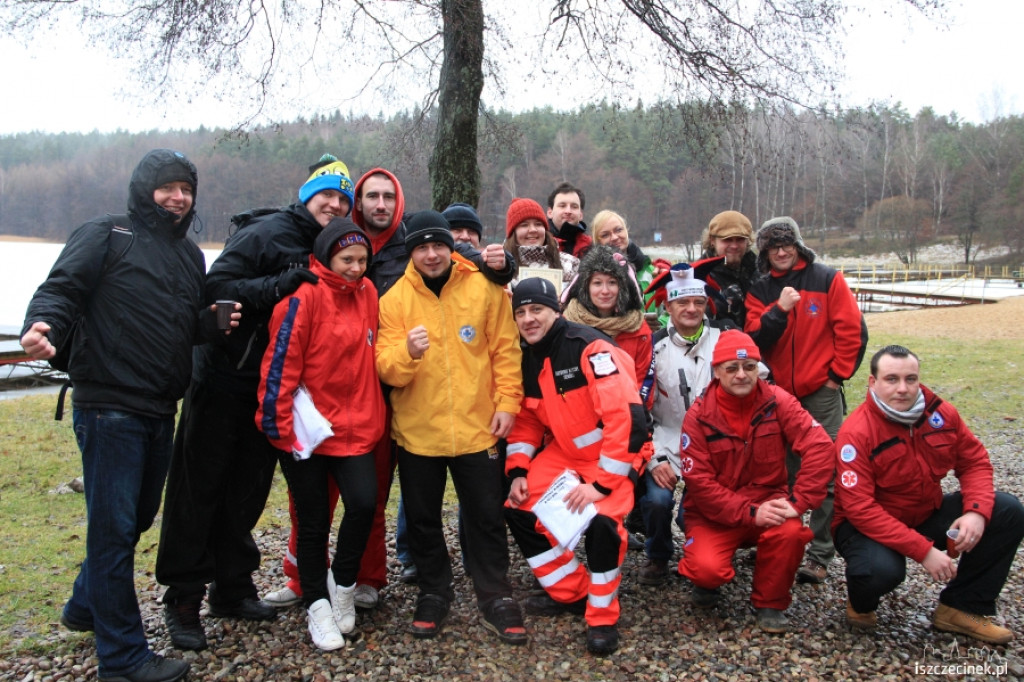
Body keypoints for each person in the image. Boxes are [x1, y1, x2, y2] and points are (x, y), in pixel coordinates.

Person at [261, 169, 515, 607]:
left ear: (399, 203)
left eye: (388, 197)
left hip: (388, 403)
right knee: (314, 506)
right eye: (371, 197)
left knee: (372, 500)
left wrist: (504, 265)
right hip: (333, 403)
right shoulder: (339, 251)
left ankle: (366, 579)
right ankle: (307, 582)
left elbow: (473, 271)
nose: (380, 204)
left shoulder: (420, 248)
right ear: (359, 204)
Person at [20, 149, 215, 682]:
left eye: (186, 189)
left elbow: (175, 323)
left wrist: (208, 324)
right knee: (111, 531)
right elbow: (62, 289)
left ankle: (85, 607)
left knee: (136, 518)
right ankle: (122, 657)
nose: (178, 198)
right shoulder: (108, 233)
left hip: (158, 407)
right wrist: (42, 325)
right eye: (168, 187)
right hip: (108, 406)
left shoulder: (189, 256)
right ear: (144, 189)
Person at [156, 154, 356, 651]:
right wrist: (274, 286)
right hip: (225, 376)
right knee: (198, 489)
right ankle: (182, 598)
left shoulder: (329, 246)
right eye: (326, 194)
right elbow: (215, 288)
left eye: (341, 199)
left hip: (273, 390)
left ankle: (232, 587)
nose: (333, 204)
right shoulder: (266, 233)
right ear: (308, 196)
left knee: (248, 489)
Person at [376, 211, 527, 644]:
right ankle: (433, 591)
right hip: (419, 434)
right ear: (411, 252)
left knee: (484, 516)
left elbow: (505, 349)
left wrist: (508, 403)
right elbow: (387, 369)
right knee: (422, 519)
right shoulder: (394, 300)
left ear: (450, 246)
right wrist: (406, 352)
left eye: (438, 245)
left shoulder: (483, 286)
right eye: (421, 247)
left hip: (479, 427)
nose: (431, 254)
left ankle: (495, 594)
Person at [833, 345, 1024, 643]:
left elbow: (974, 461)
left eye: (911, 379)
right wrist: (923, 551)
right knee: (877, 571)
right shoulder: (856, 432)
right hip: (867, 529)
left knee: (1007, 511)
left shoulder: (942, 413)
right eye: (891, 379)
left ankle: (961, 609)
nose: (903, 388)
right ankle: (861, 605)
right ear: (873, 383)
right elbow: (860, 510)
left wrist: (975, 511)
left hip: (925, 513)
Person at [255, 219, 385, 651]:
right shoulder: (303, 297)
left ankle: (342, 584)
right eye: (347, 259)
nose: (355, 268)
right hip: (307, 433)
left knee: (364, 505)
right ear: (327, 256)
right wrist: (278, 429)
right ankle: (317, 606)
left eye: (362, 260)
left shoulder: (368, 294)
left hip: (356, 426)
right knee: (311, 523)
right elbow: (280, 364)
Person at [505, 278, 650, 655]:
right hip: (568, 454)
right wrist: (518, 470)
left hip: (615, 455)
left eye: (536, 309)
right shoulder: (529, 355)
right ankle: (572, 593)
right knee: (518, 508)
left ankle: (602, 616)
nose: (528, 319)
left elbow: (627, 420)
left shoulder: (591, 347)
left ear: (557, 309)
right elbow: (527, 420)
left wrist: (601, 486)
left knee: (602, 526)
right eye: (520, 312)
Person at [678, 330, 834, 633]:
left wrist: (799, 502)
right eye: (732, 368)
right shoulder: (698, 415)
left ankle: (771, 603)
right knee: (706, 569)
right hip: (715, 514)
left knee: (790, 532)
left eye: (749, 367)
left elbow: (820, 445)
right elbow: (699, 482)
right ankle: (707, 584)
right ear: (717, 371)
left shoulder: (779, 401)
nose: (741, 375)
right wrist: (750, 512)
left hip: (768, 502)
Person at [744, 216, 868, 585]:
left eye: (787, 245)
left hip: (820, 394)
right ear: (764, 252)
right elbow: (755, 339)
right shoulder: (760, 289)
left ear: (798, 246)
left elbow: (852, 331)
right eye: (773, 247)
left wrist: (835, 377)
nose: (781, 252)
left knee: (825, 470)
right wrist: (779, 310)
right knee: (778, 472)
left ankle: (819, 552)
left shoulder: (827, 279)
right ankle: (780, 540)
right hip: (778, 395)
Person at [637, 265, 735, 586]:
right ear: (668, 307)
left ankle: (705, 552)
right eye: (682, 303)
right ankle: (658, 553)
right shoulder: (652, 348)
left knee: (697, 509)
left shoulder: (725, 341)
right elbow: (638, 410)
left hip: (715, 447)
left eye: (698, 302)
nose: (691, 309)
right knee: (656, 501)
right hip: (667, 439)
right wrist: (652, 459)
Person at [562, 244, 654, 405]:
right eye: (597, 283)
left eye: (612, 282)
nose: (605, 291)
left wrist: (633, 416)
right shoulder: (567, 326)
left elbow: (643, 380)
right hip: (581, 417)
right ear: (586, 287)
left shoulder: (638, 329)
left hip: (627, 414)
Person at [590, 209, 669, 314]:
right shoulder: (591, 278)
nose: (614, 237)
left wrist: (658, 326)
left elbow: (671, 312)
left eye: (618, 230)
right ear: (597, 242)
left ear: (626, 231)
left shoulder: (651, 271)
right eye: (605, 235)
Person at [690, 210, 759, 328]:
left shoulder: (759, 270)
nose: (734, 246)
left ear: (748, 241)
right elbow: (686, 320)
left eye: (740, 239)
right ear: (712, 240)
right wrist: (720, 305)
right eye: (727, 240)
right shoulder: (696, 275)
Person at [504, 197, 579, 288]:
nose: (533, 230)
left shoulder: (569, 264)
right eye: (524, 225)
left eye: (538, 224)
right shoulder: (502, 266)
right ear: (513, 233)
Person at [546, 181, 592, 257]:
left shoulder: (591, 248)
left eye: (574, 207)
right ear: (550, 212)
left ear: (581, 215)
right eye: (562, 206)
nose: (568, 211)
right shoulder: (540, 243)